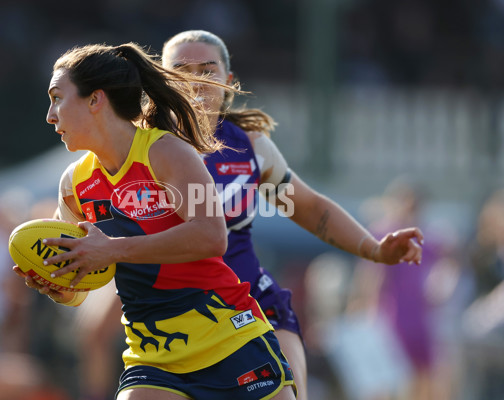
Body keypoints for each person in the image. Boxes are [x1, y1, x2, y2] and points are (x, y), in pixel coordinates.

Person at [13, 43, 297, 400]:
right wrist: (56, 281)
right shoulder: (75, 183)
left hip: (227, 339)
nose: (50, 115)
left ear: (95, 99)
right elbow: (78, 286)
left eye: (57, 98)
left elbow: (211, 236)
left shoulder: (165, 151)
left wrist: (111, 250)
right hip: (154, 356)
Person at [160, 30, 425, 400]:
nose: (195, 82)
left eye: (208, 71)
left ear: (228, 82)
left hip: (248, 301)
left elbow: (311, 209)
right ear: (163, 80)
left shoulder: (248, 146)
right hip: (167, 314)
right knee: (97, 328)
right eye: (181, 70)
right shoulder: (135, 147)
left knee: (290, 391)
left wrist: (375, 249)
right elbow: (81, 206)